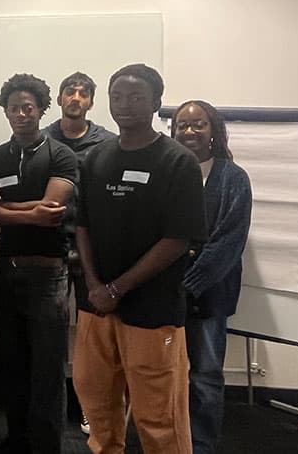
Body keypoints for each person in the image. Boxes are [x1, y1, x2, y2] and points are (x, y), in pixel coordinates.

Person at [73, 64, 206, 454]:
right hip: (96, 307)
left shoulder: (178, 162)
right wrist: (96, 286)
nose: (124, 105)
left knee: (159, 416)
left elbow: (178, 239)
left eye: (135, 97)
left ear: (156, 103)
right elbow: (83, 226)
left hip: (152, 309)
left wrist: (118, 288)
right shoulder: (95, 158)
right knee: (97, 404)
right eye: (117, 97)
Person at [0, 74, 78, 454]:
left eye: (28, 107)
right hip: (7, 272)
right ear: (4, 111)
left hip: (49, 274)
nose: (21, 114)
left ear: (41, 109)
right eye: (13, 108)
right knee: (13, 362)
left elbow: (53, 211)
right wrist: (30, 210)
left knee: (48, 369)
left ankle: (47, 445)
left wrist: (6, 207)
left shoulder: (61, 155)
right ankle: (16, 439)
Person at [171, 100, 252, 454]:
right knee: (164, 376)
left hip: (210, 295)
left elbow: (228, 242)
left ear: (213, 131)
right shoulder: (167, 173)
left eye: (198, 124)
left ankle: (201, 446)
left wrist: (188, 286)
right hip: (164, 295)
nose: (189, 132)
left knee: (204, 376)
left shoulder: (233, 178)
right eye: (182, 125)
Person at [42, 71, 116, 435]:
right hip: (48, 249)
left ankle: (92, 407)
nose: (75, 97)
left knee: (93, 337)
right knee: (51, 335)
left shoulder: (109, 144)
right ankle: (52, 410)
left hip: (93, 251)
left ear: (90, 101)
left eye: (83, 93)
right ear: (58, 99)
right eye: (69, 91)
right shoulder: (41, 141)